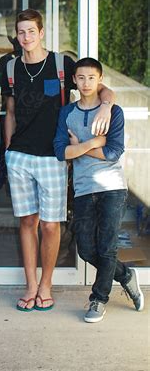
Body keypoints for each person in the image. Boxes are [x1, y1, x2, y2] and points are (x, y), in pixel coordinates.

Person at [2, 9, 115, 311]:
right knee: (27, 222)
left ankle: (45, 285)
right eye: (20, 32)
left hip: (53, 156)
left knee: (50, 226)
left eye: (31, 31)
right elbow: (10, 112)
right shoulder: (10, 67)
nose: (25, 37)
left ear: (41, 33)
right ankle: (29, 286)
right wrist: (8, 149)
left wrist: (106, 108)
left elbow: (100, 87)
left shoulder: (62, 64)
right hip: (20, 157)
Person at [54, 57, 144, 322]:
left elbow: (114, 152)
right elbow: (61, 151)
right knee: (86, 250)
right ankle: (126, 275)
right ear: (74, 80)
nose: (86, 83)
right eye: (81, 78)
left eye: (91, 78)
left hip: (112, 188)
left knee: (106, 248)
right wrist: (93, 142)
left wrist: (79, 147)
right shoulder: (67, 113)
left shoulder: (113, 112)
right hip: (83, 189)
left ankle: (98, 299)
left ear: (100, 79)